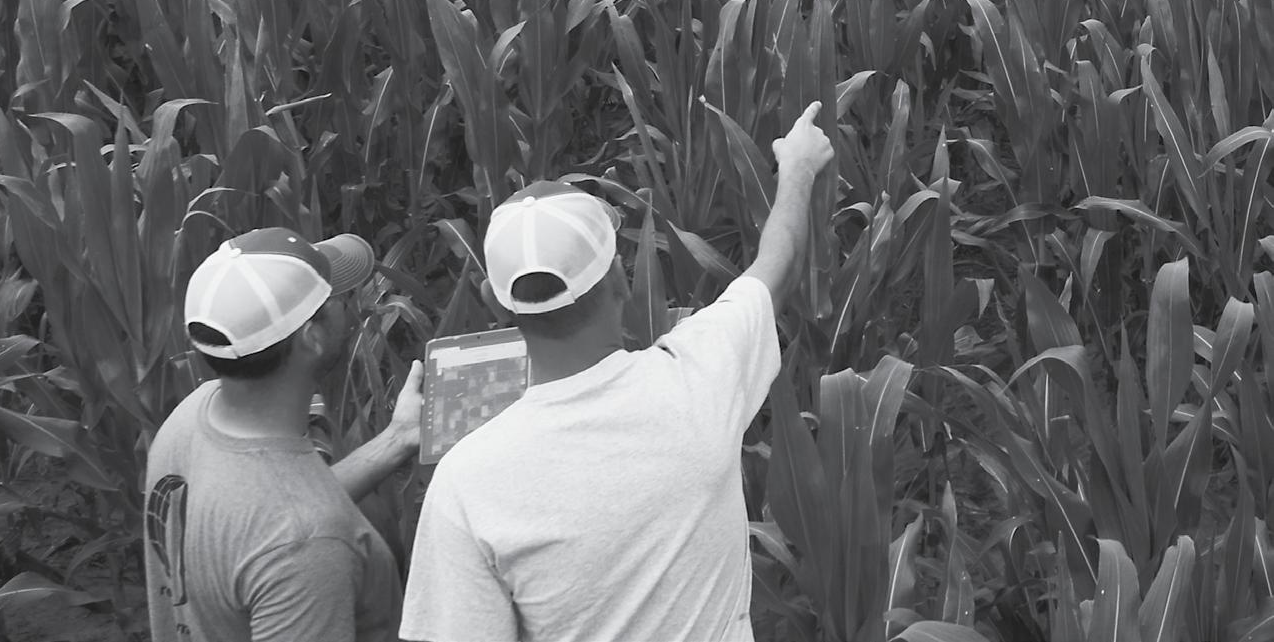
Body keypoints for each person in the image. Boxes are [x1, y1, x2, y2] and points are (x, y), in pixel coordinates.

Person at [400, 102, 835, 642]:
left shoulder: (465, 484)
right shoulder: (700, 378)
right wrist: (798, 168)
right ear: (622, 281)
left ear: (495, 303)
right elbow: (778, 266)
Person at [145, 226, 424, 642]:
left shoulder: (191, 417)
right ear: (312, 337)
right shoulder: (307, 546)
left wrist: (397, 438)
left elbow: (268, 514)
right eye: (336, 299)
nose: (349, 304)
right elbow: (291, 528)